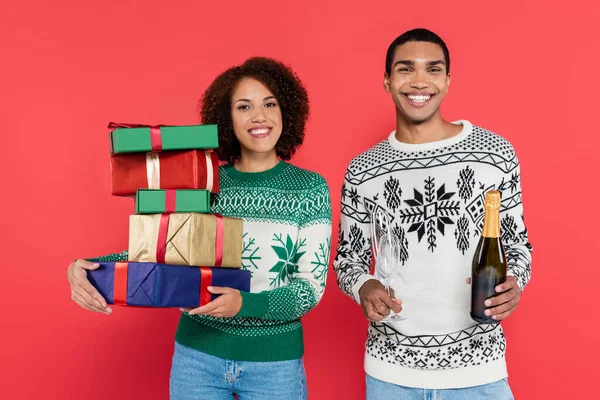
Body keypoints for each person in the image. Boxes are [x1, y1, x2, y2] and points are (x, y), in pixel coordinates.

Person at [67, 57, 332, 400]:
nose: (259, 116)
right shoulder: (203, 185)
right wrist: (88, 267)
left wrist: (244, 304)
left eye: (269, 103)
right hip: (197, 361)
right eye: (243, 106)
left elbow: (309, 288)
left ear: (286, 111)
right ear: (227, 120)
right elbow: (158, 252)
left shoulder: (309, 189)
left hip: (274, 366)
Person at [333, 28, 532, 399]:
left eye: (433, 69)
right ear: (387, 80)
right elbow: (348, 260)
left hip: (479, 370)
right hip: (390, 373)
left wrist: (514, 283)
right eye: (406, 69)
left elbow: (518, 247)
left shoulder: (496, 154)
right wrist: (364, 286)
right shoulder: (362, 170)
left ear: (448, 79)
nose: (420, 81)